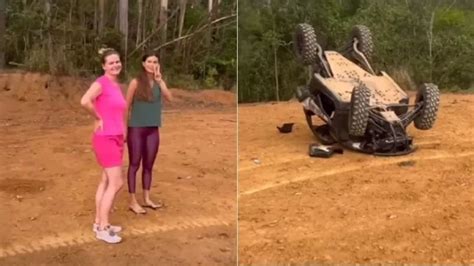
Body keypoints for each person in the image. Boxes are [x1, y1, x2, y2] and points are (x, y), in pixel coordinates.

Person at [80, 48, 126, 243]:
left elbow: (117, 112)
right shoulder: (101, 83)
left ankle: (99, 221)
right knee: (116, 182)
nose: (115, 65)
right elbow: (84, 101)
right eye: (111, 63)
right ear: (103, 66)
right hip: (105, 137)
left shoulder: (115, 85)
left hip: (115, 137)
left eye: (117, 62)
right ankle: (103, 228)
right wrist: (98, 117)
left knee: (106, 181)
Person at [125, 52, 172, 214]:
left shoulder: (159, 82)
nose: (153, 64)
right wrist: (125, 130)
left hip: (153, 129)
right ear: (144, 64)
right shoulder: (136, 82)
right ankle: (132, 200)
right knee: (134, 164)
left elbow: (170, 98)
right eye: (150, 61)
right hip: (136, 129)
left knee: (149, 165)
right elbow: (126, 107)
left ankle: (146, 198)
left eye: (155, 61)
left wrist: (160, 81)